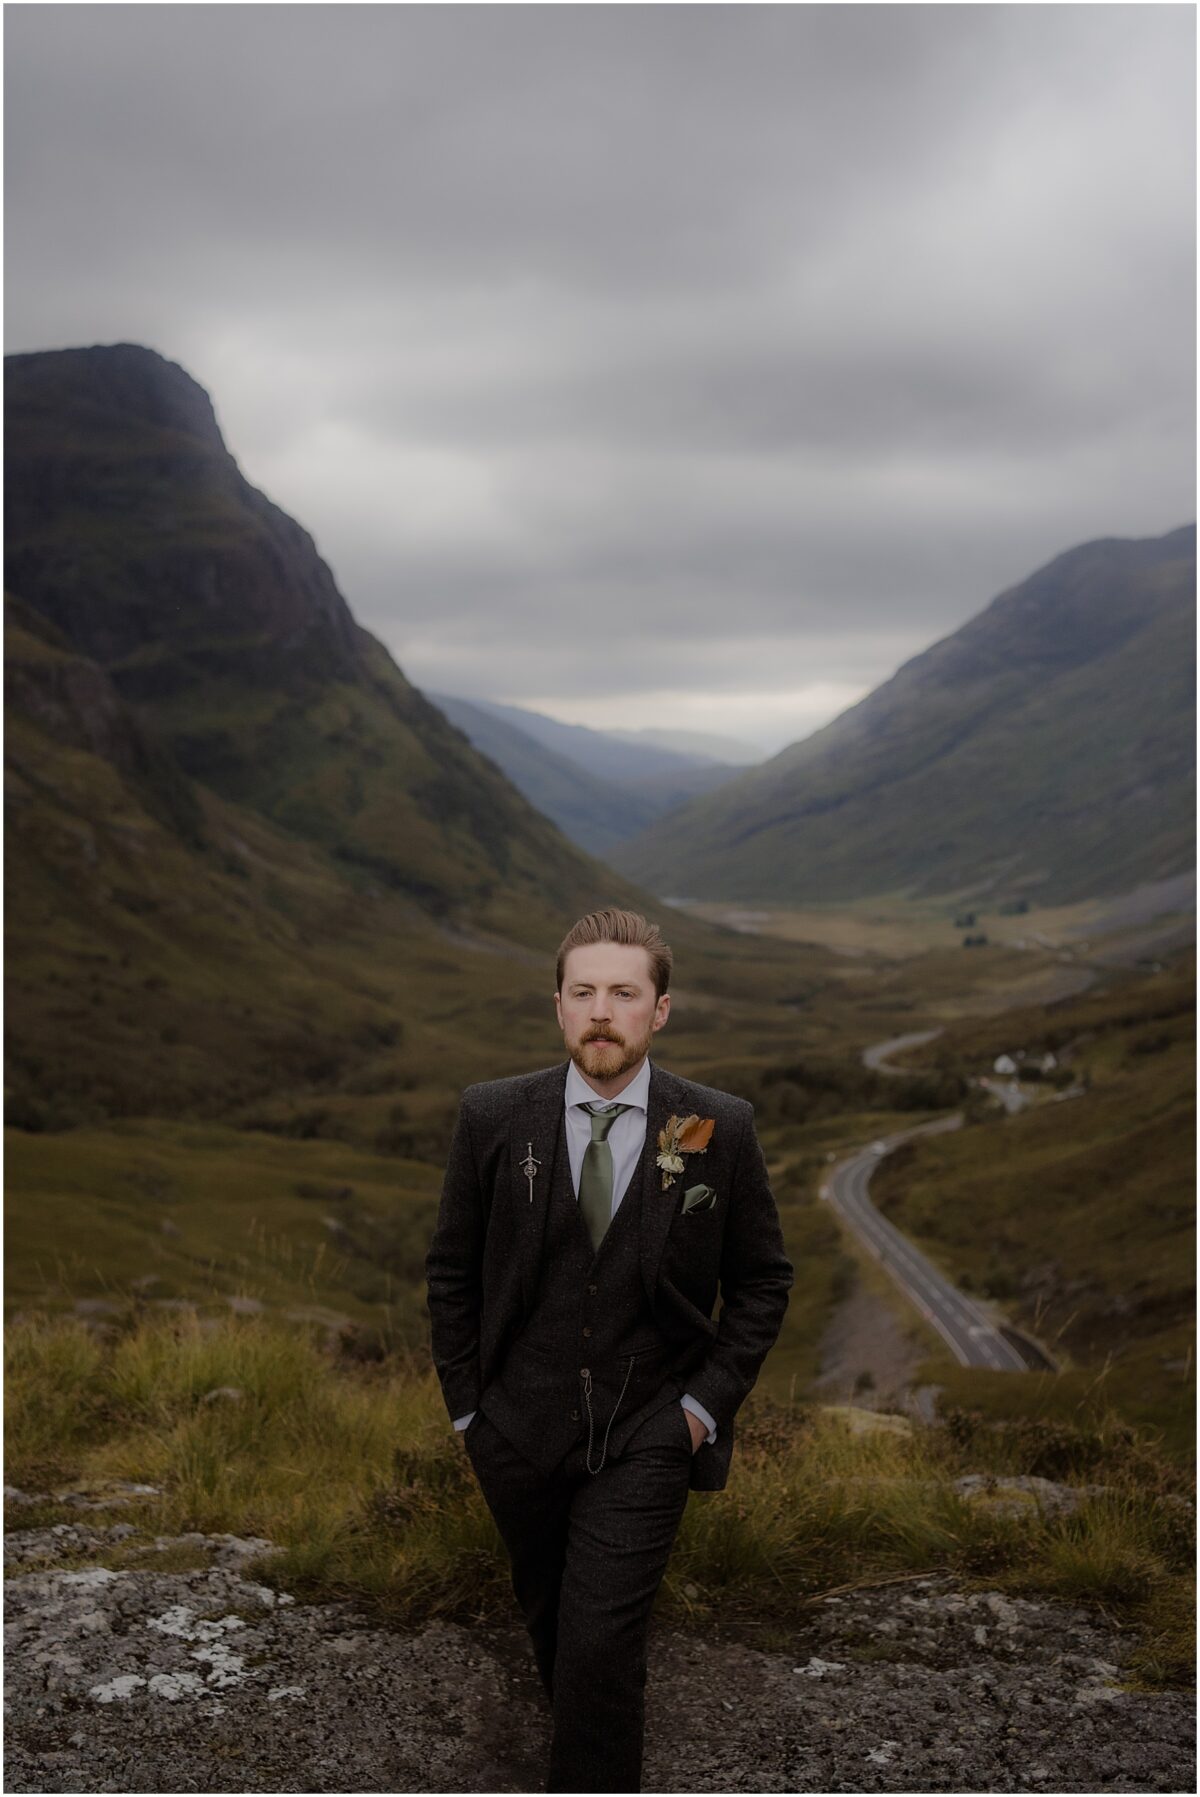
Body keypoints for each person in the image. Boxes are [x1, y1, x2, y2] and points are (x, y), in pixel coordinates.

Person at [425, 906, 793, 1792]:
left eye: (624, 992)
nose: (602, 1010)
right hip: (514, 1433)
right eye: (584, 991)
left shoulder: (715, 1127)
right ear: (558, 1006)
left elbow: (762, 1283)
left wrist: (699, 1412)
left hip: (648, 1434)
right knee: (555, 1626)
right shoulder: (492, 1115)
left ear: (659, 1010)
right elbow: (451, 1272)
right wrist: (471, 1411)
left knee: (599, 1642)